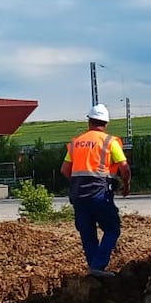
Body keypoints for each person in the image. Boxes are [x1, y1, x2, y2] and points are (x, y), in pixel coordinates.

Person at [61, 103, 130, 276]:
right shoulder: (109, 142)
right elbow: (124, 167)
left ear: (89, 122)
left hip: (78, 195)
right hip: (99, 193)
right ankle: (97, 267)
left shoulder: (76, 143)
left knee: (87, 232)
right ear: (105, 123)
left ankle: (94, 269)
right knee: (112, 229)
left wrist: (77, 182)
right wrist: (126, 185)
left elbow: (64, 170)